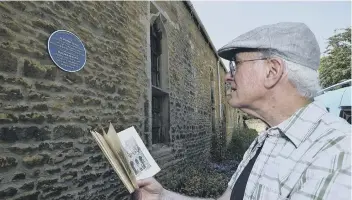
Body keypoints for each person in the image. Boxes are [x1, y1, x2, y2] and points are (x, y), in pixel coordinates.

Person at [132, 22, 351, 200]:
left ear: (272, 71)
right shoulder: (265, 139)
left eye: (236, 65)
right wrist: (163, 197)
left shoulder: (337, 154)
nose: (228, 76)